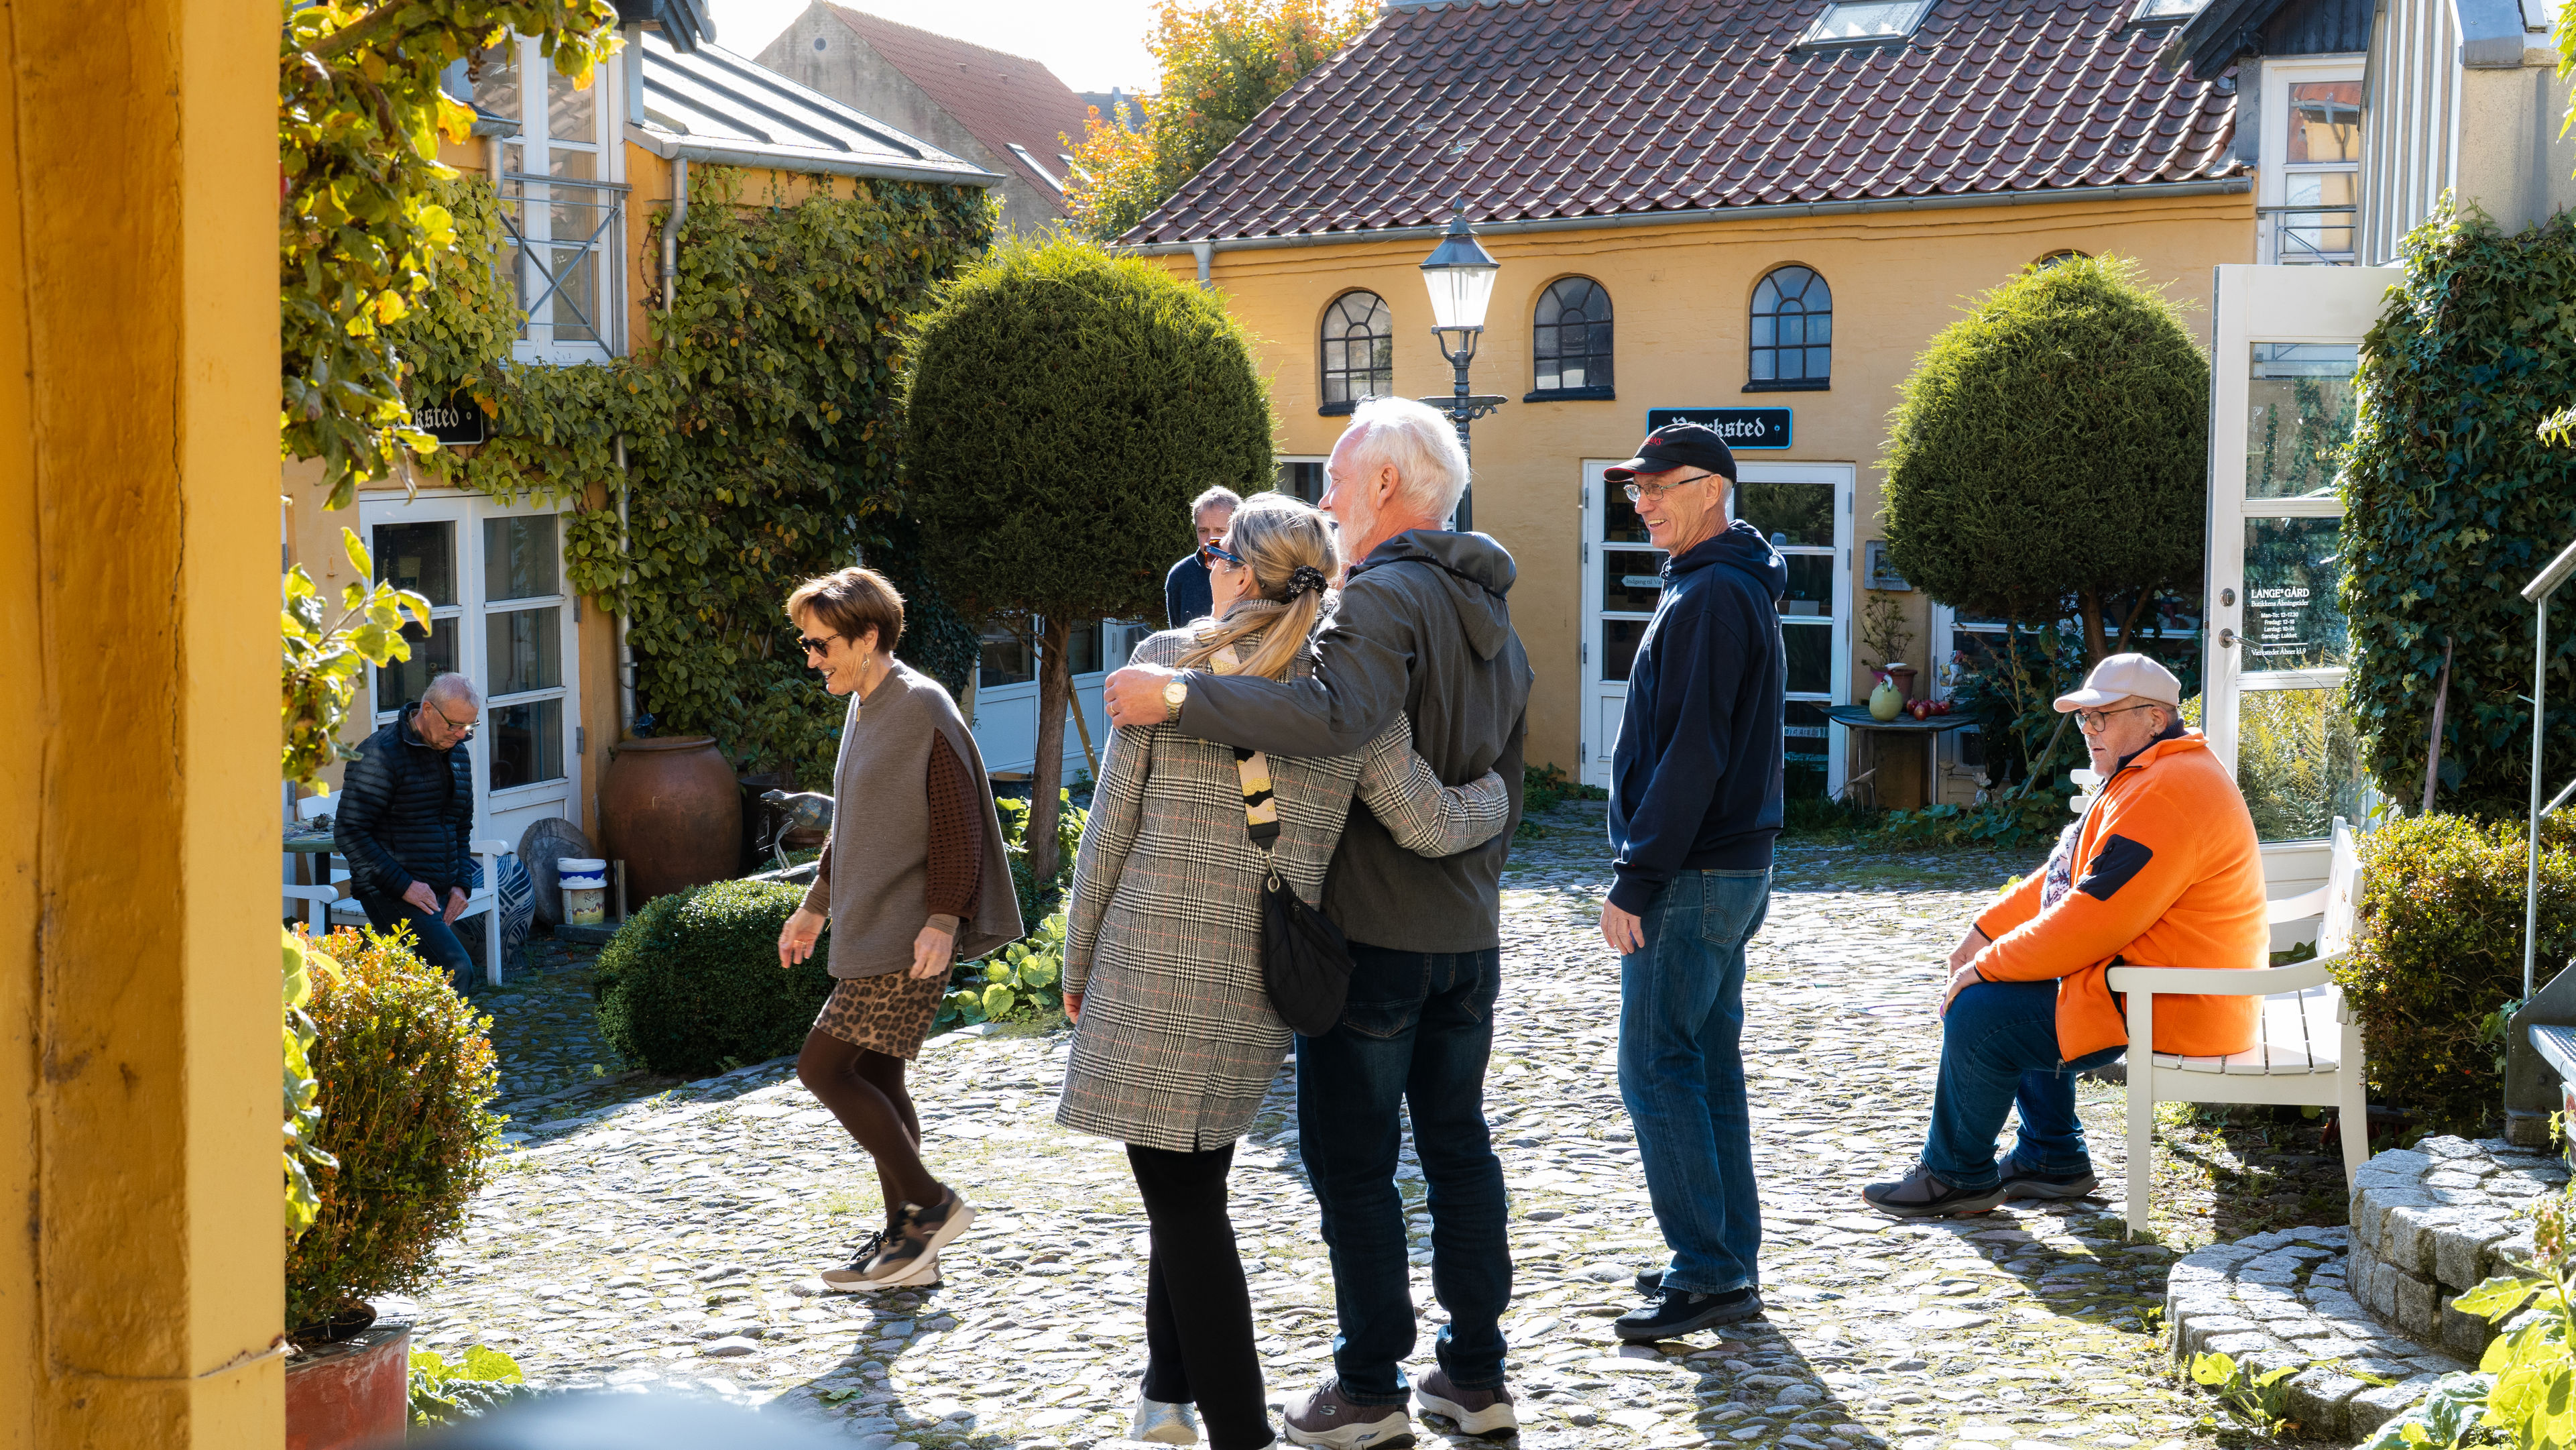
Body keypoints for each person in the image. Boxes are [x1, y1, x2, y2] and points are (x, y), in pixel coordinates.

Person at [1102, 396, 1533, 1449]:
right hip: (1467, 934)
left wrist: (1178, 697)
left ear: (1386, 483)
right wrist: (1494, 815)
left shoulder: (1378, 599)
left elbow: (1335, 717)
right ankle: (1474, 1377)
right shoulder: (1496, 614)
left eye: (1336, 480)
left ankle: (1371, 1388)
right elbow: (1499, 770)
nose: (1326, 504)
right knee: (1459, 1147)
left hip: (1378, 930)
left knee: (1354, 1165)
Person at [1863, 653, 2267, 1219]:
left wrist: (1984, 968)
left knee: (1982, 1011)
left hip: (2178, 1002)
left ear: (2155, 718)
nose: (2088, 730)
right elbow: (2066, 871)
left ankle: (1955, 1175)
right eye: (2083, 719)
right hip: (2166, 988)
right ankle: (2051, 1158)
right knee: (2023, 977)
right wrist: (1983, 934)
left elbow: (2092, 918)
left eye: (2102, 716)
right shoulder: (2150, 771)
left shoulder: (2165, 790)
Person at [1589, 423, 1789, 1343]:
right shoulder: (1718, 584)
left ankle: (1707, 1269)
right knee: (1703, 1064)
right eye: (1634, 489)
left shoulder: (1711, 594)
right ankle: (1721, 1254)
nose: (1642, 501)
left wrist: (1635, 877)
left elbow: (1694, 751)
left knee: (1654, 1066)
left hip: (1695, 868)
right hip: (1727, 865)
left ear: (1710, 488)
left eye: (1658, 486)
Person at [776, 567, 1023, 1289]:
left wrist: (943, 920)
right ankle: (908, 1252)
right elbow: (852, 824)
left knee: (821, 1068)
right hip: (870, 921)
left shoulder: (919, 705)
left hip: (908, 932)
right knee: (879, 1075)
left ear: (869, 636)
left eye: (821, 644)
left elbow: (959, 825)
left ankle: (932, 1203)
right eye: (807, 643)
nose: (812, 657)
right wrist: (813, 905)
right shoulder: (864, 701)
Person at [334, 671, 484, 991]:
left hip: (438, 887)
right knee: (454, 969)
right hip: (390, 890)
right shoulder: (380, 754)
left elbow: (460, 824)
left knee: (419, 985)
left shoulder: (458, 753)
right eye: (454, 725)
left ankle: (417, 1041)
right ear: (427, 709)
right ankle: (445, 1043)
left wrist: (462, 885)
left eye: (469, 727)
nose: (461, 735)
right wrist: (405, 887)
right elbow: (350, 831)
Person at [1165, 486, 1243, 628]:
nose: (1210, 539)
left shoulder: (1254, 570)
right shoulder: (1180, 575)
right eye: (1203, 531)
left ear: (1237, 529)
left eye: (1220, 530)